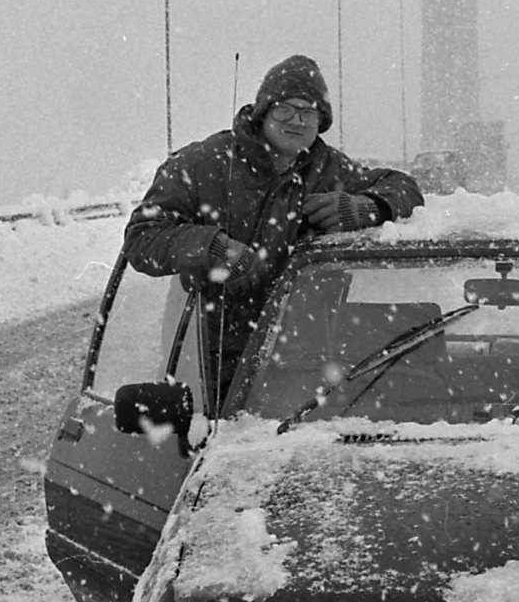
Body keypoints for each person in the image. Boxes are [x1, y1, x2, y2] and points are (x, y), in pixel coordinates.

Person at [124, 54, 423, 399]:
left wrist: (366, 208)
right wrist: (214, 248)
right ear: (264, 111)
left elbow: (405, 189)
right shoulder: (204, 164)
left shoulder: (327, 170)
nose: (296, 120)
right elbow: (142, 239)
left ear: (320, 122)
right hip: (216, 365)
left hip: (306, 366)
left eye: (308, 112)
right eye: (285, 109)